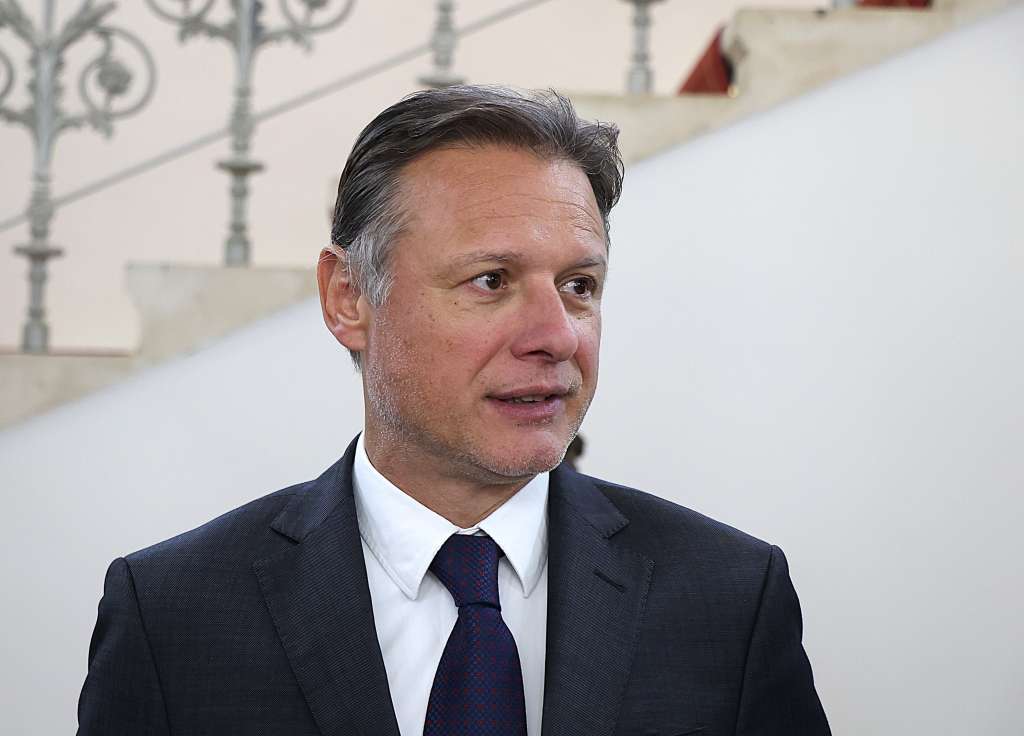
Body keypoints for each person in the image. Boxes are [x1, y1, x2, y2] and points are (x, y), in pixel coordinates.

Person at [78, 86, 830, 736]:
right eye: (491, 280)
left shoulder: (732, 597)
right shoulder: (172, 612)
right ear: (348, 298)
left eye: (579, 286)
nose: (557, 336)